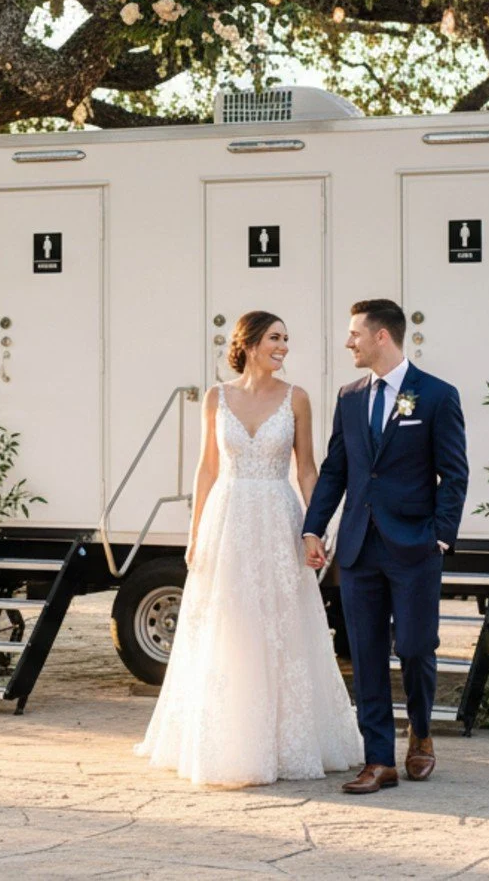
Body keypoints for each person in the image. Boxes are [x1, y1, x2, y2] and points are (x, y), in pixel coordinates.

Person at [135, 311, 360, 787]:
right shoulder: (216, 397)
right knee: (229, 624)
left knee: (282, 624)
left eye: (286, 338)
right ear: (251, 343)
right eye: (275, 338)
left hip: (279, 517)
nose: (283, 346)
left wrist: (314, 527)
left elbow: (306, 468)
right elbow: (206, 469)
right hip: (228, 518)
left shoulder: (297, 398)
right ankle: (230, 740)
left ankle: (286, 741)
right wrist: (195, 535)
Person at [302, 298, 468, 794]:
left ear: (381, 336)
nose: (348, 341)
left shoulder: (436, 395)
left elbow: (454, 473)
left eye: (355, 333)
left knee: (416, 648)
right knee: (366, 654)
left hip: (415, 545)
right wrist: (314, 527)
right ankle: (379, 760)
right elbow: (336, 469)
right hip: (357, 547)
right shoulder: (349, 397)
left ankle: (420, 730)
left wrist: (439, 534)